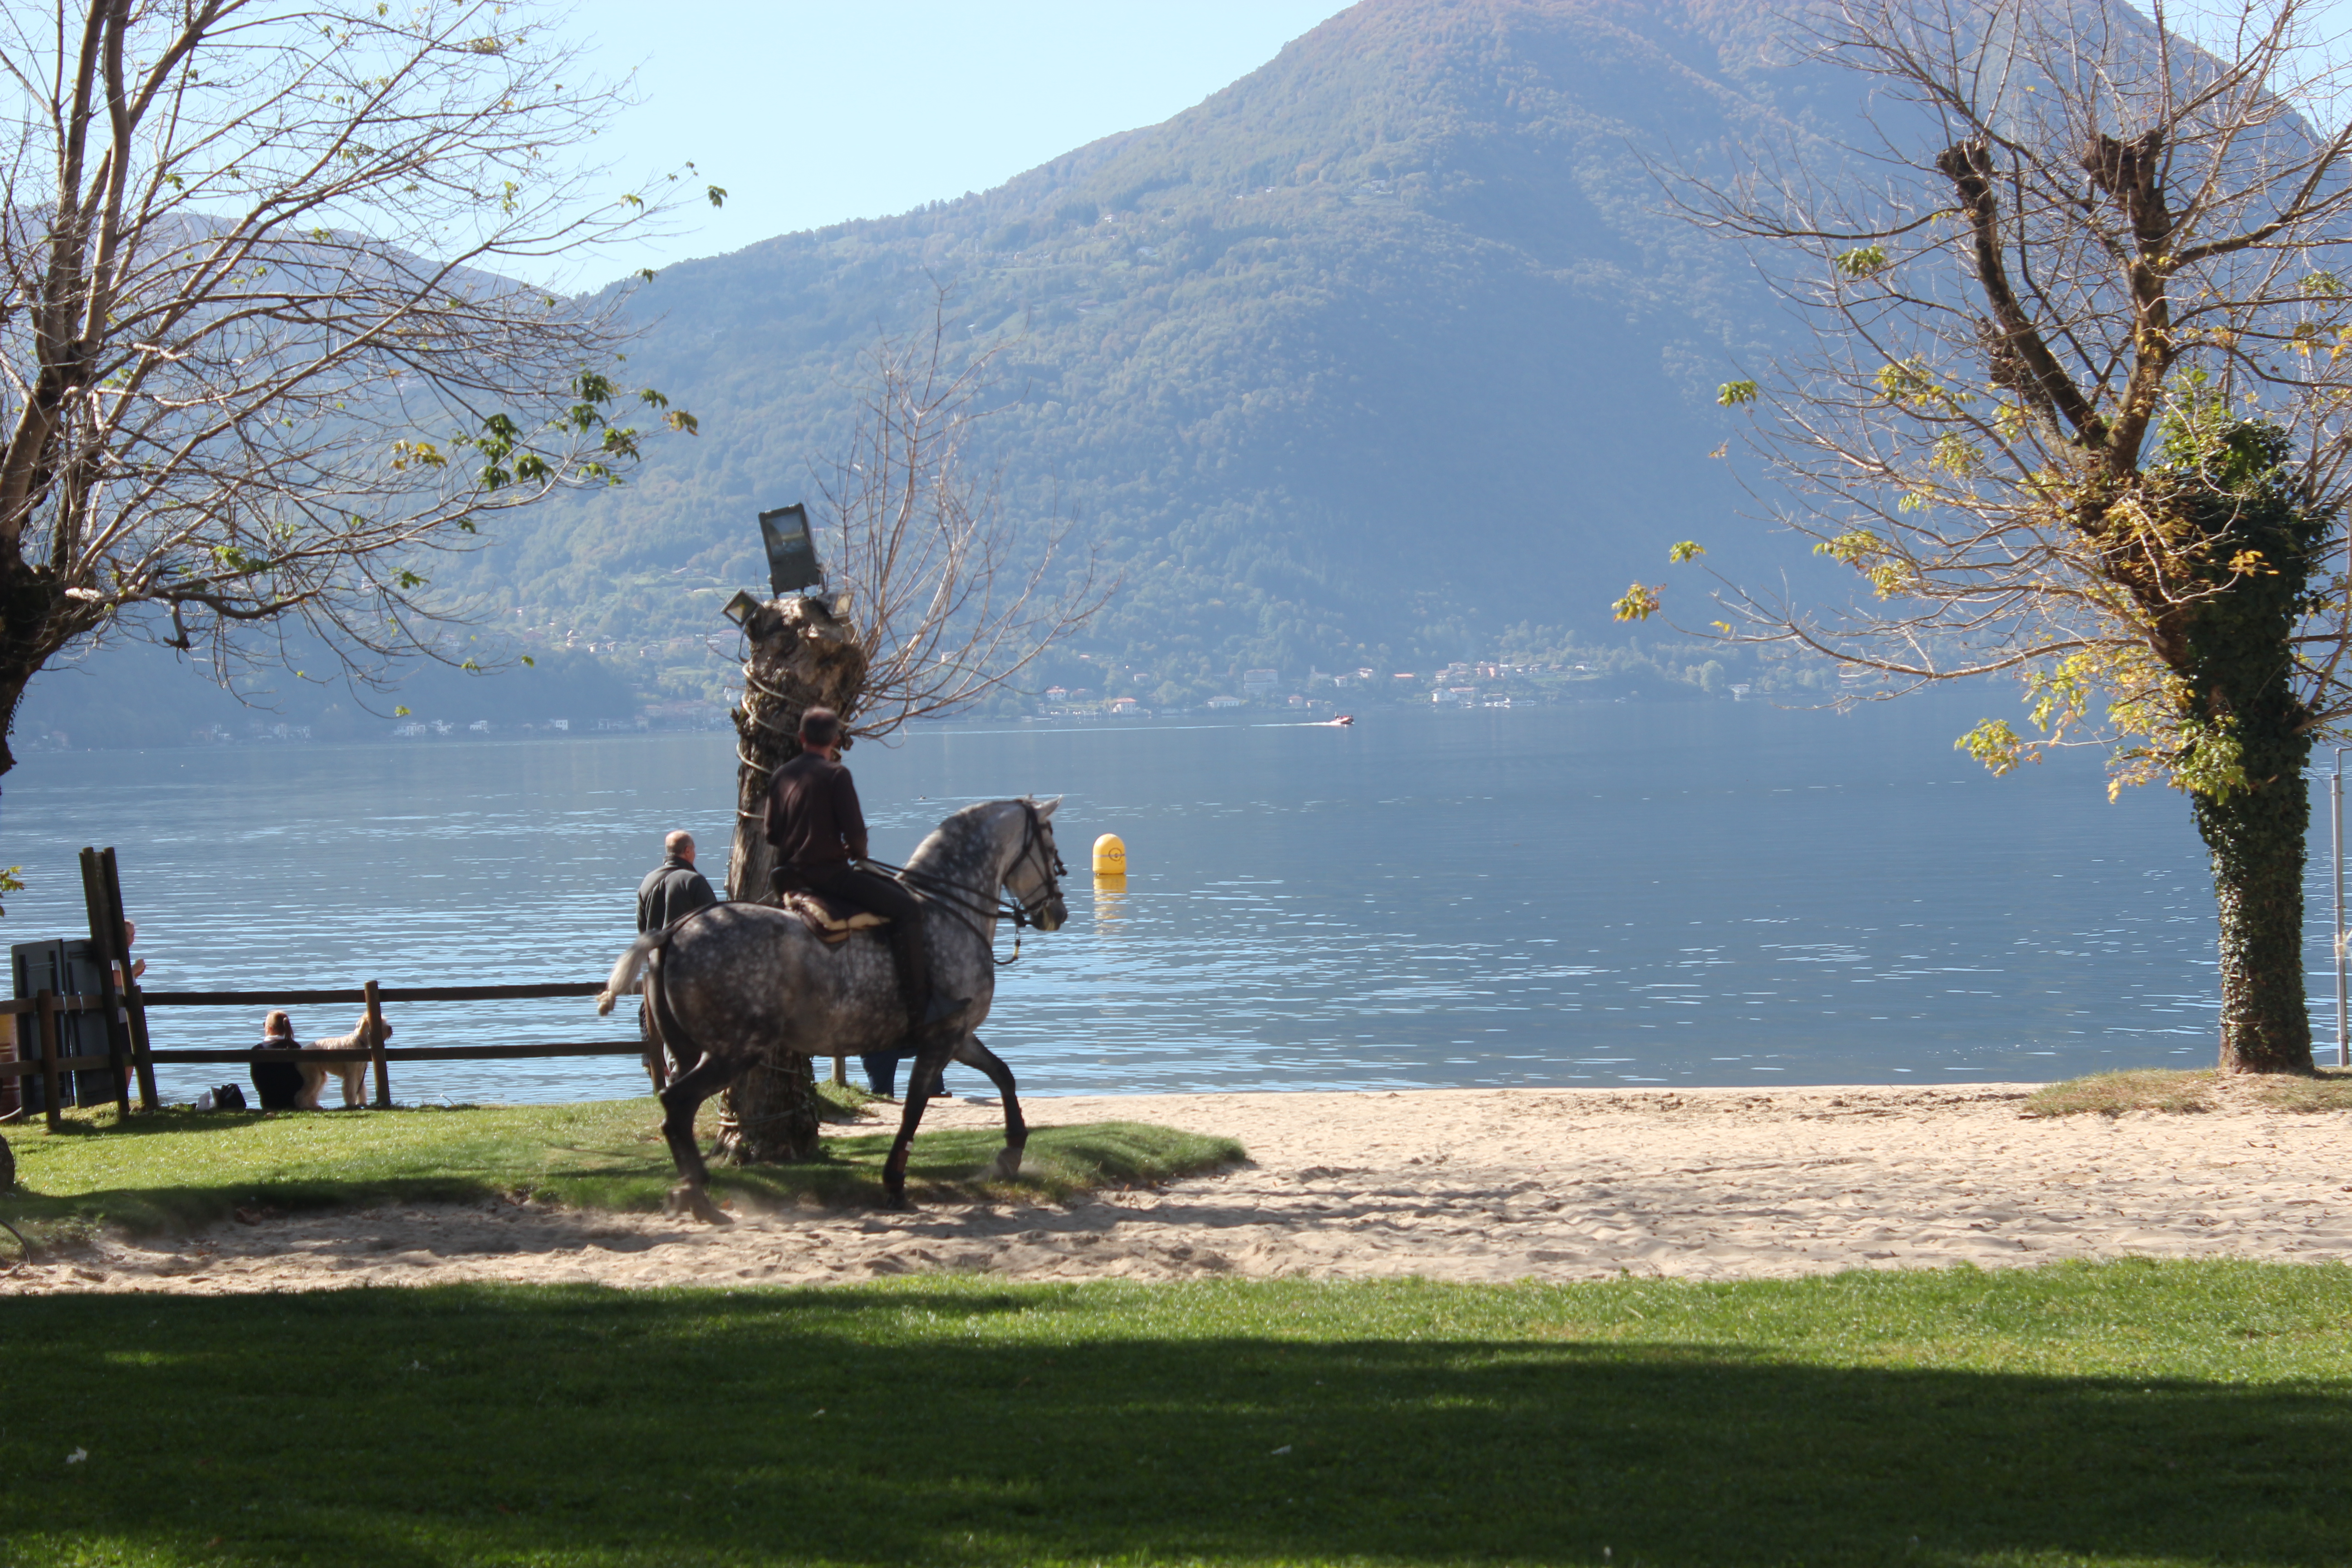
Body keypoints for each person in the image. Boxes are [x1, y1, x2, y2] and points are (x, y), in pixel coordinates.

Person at [764, 707, 965, 1041]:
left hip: (789, 878)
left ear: (801, 738)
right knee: (908, 908)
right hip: (829, 877)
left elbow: (771, 834)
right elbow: (855, 832)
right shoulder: (836, 775)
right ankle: (920, 1006)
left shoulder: (781, 776)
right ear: (835, 740)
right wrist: (857, 853)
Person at [635, 832, 718, 1090]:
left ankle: (661, 1075)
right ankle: (685, 1085)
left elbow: (642, 930)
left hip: (656, 970)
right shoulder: (694, 881)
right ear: (689, 851)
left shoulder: (647, 882)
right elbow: (716, 927)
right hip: (689, 971)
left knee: (658, 1025)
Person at [248, 1010, 306, 1111]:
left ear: (269, 1028)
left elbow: (257, 1079)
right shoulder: (296, 1047)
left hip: (269, 1102)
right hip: (293, 1102)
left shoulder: (258, 1050)